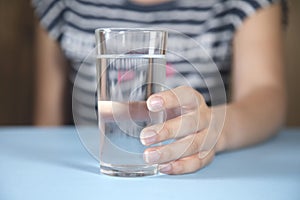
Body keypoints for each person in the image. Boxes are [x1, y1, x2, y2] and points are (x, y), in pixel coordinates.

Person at [32, 0, 287, 174]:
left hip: (190, 176)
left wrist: (216, 128)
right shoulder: (63, 5)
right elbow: (45, 125)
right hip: (94, 172)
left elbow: (266, 93)